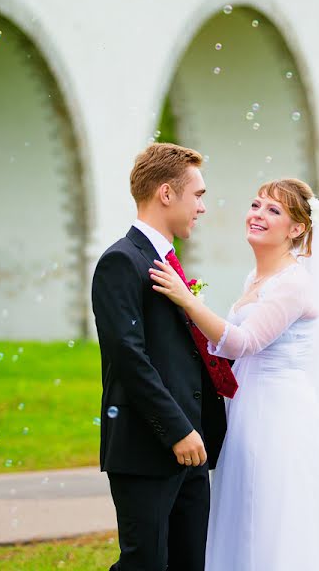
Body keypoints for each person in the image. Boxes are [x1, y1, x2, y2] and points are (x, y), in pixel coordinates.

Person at [150, 178, 319, 570]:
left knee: (274, 515)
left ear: (297, 228)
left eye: (273, 210)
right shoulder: (256, 279)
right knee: (244, 509)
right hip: (247, 408)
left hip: (281, 417)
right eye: (256, 205)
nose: (258, 215)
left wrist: (186, 300)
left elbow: (243, 343)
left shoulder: (294, 283)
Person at [91, 142, 235, 571]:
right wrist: (175, 430)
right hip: (148, 445)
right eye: (199, 195)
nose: (203, 207)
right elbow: (129, 359)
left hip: (193, 447)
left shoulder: (167, 263)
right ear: (166, 194)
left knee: (191, 562)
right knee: (145, 564)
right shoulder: (121, 261)